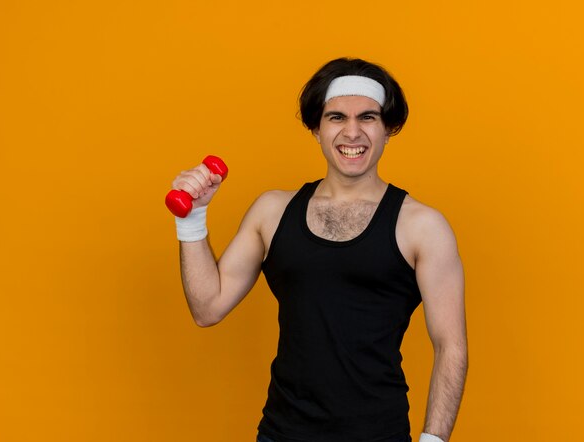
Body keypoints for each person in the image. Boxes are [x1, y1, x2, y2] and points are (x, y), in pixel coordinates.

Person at [171, 58, 467, 442]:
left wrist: (432, 441)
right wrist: (192, 219)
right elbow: (207, 307)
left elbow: (451, 347)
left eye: (368, 117)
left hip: (379, 434)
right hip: (281, 433)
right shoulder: (272, 212)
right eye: (336, 117)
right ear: (316, 128)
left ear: (388, 128)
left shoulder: (422, 227)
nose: (353, 132)